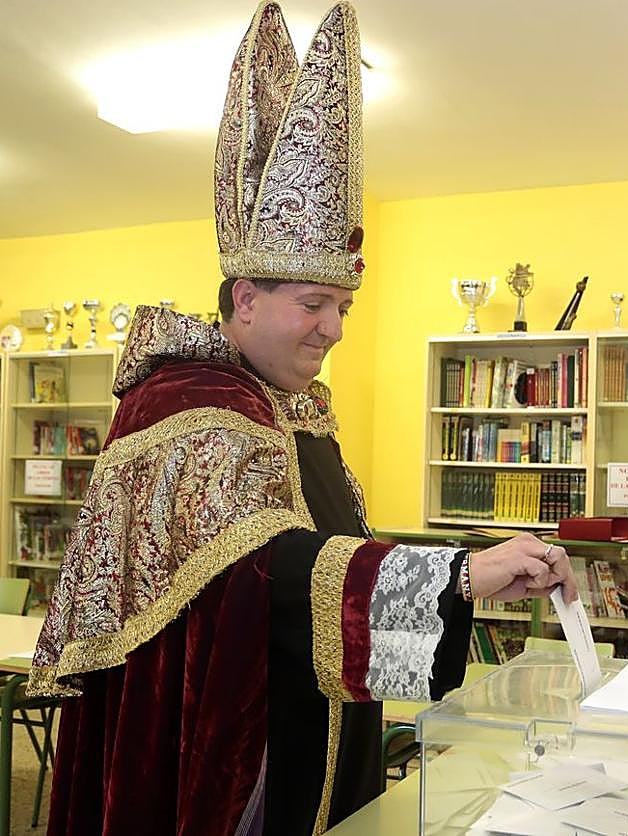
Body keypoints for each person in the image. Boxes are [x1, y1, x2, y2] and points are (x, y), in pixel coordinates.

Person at [28, 4, 576, 834]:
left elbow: (325, 551)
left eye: (344, 305)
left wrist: (473, 565)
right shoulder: (191, 403)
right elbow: (263, 578)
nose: (335, 328)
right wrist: (461, 576)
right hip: (231, 757)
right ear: (245, 299)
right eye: (315, 302)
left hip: (311, 717)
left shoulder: (288, 405)